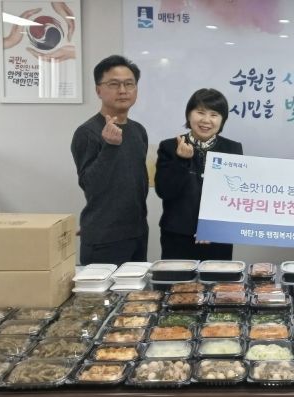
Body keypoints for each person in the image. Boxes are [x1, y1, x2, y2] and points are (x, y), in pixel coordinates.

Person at [71, 55, 149, 266]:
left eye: (129, 84)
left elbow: (136, 183)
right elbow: (90, 185)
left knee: (137, 288)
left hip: (138, 232)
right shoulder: (87, 132)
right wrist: (110, 147)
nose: (123, 90)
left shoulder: (138, 130)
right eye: (114, 84)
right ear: (98, 90)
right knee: (104, 290)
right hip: (104, 238)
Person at [155, 88, 243, 261]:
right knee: (176, 279)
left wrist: (210, 226)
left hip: (217, 235)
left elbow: (234, 195)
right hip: (178, 235)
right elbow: (165, 191)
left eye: (214, 114)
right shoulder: (170, 146)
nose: (206, 120)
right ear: (189, 115)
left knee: (217, 279)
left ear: (222, 120)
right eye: (200, 112)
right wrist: (182, 160)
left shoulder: (232, 149)